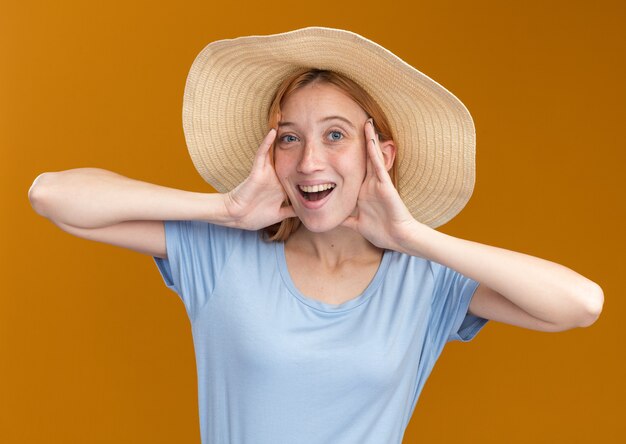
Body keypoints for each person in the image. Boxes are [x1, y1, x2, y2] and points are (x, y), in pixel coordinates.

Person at [28, 27, 603, 443]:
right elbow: (52, 195)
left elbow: (580, 304)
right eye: (289, 138)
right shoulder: (222, 252)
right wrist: (225, 208)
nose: (309, 162)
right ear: (272, 155)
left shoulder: (425, 282)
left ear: (380, 153)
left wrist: (414, 236)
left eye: (334, 135)